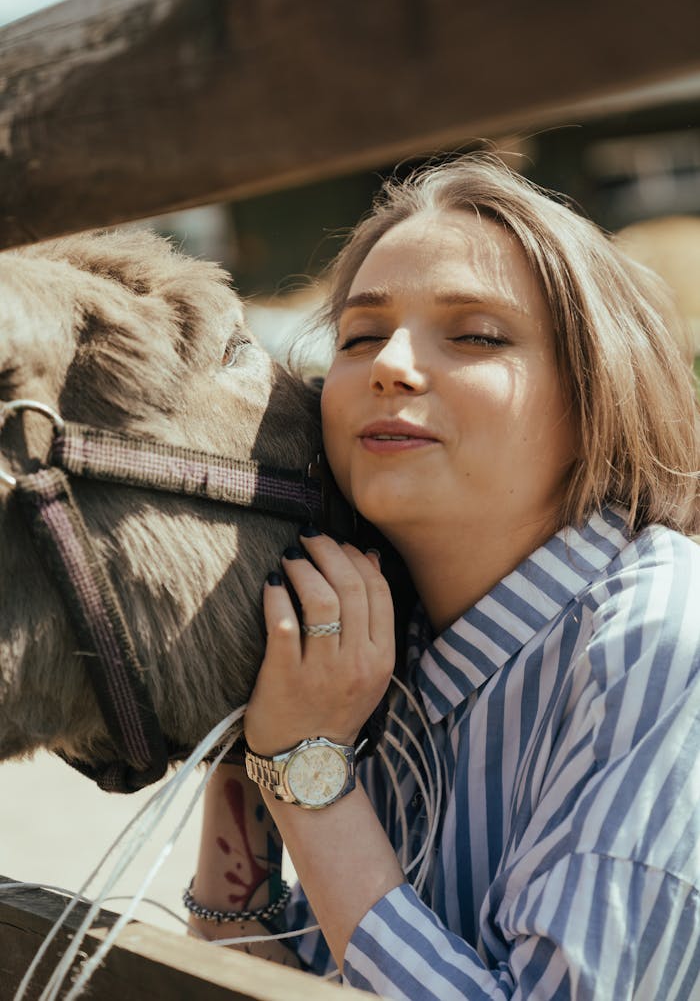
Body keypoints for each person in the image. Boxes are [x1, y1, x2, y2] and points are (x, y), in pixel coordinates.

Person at [186, 155, 700, 999]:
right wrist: (253, 746)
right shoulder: (348, 633)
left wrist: (310, 777)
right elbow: (234, 967)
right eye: (358, 336)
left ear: (599, 390)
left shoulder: (663, 643)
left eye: (475, 335)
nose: (390, 363)